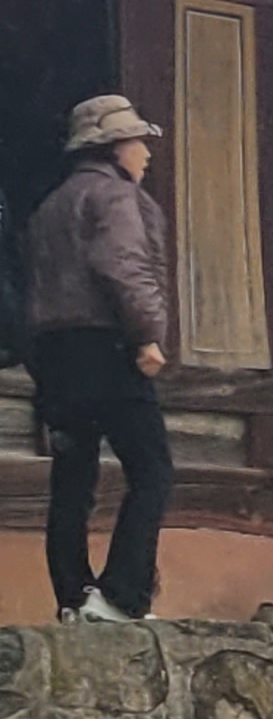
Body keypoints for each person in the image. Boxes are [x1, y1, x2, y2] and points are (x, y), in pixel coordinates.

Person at [25, 96, 172, 623]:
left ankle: (74, 597)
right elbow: (123, 265)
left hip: (54, 353)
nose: (145, 154)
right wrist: (148, 335)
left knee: (73, 479)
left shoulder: (49, 207)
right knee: (152, 470)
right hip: (105, 346)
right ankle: (120, 595)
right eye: (137, 142)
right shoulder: (115, 196)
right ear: (113, 148)